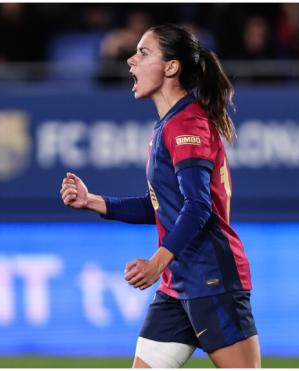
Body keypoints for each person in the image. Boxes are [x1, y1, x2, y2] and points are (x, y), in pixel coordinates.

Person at [60, 24, 261, 368]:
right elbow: (164, 207)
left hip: (212, 278)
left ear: (171, 67)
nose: (130, 60)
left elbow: (198, 207)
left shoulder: (187, 125)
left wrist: (156, 262)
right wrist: (93, 201)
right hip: (176, 284)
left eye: (143, 52)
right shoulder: (169, 124)